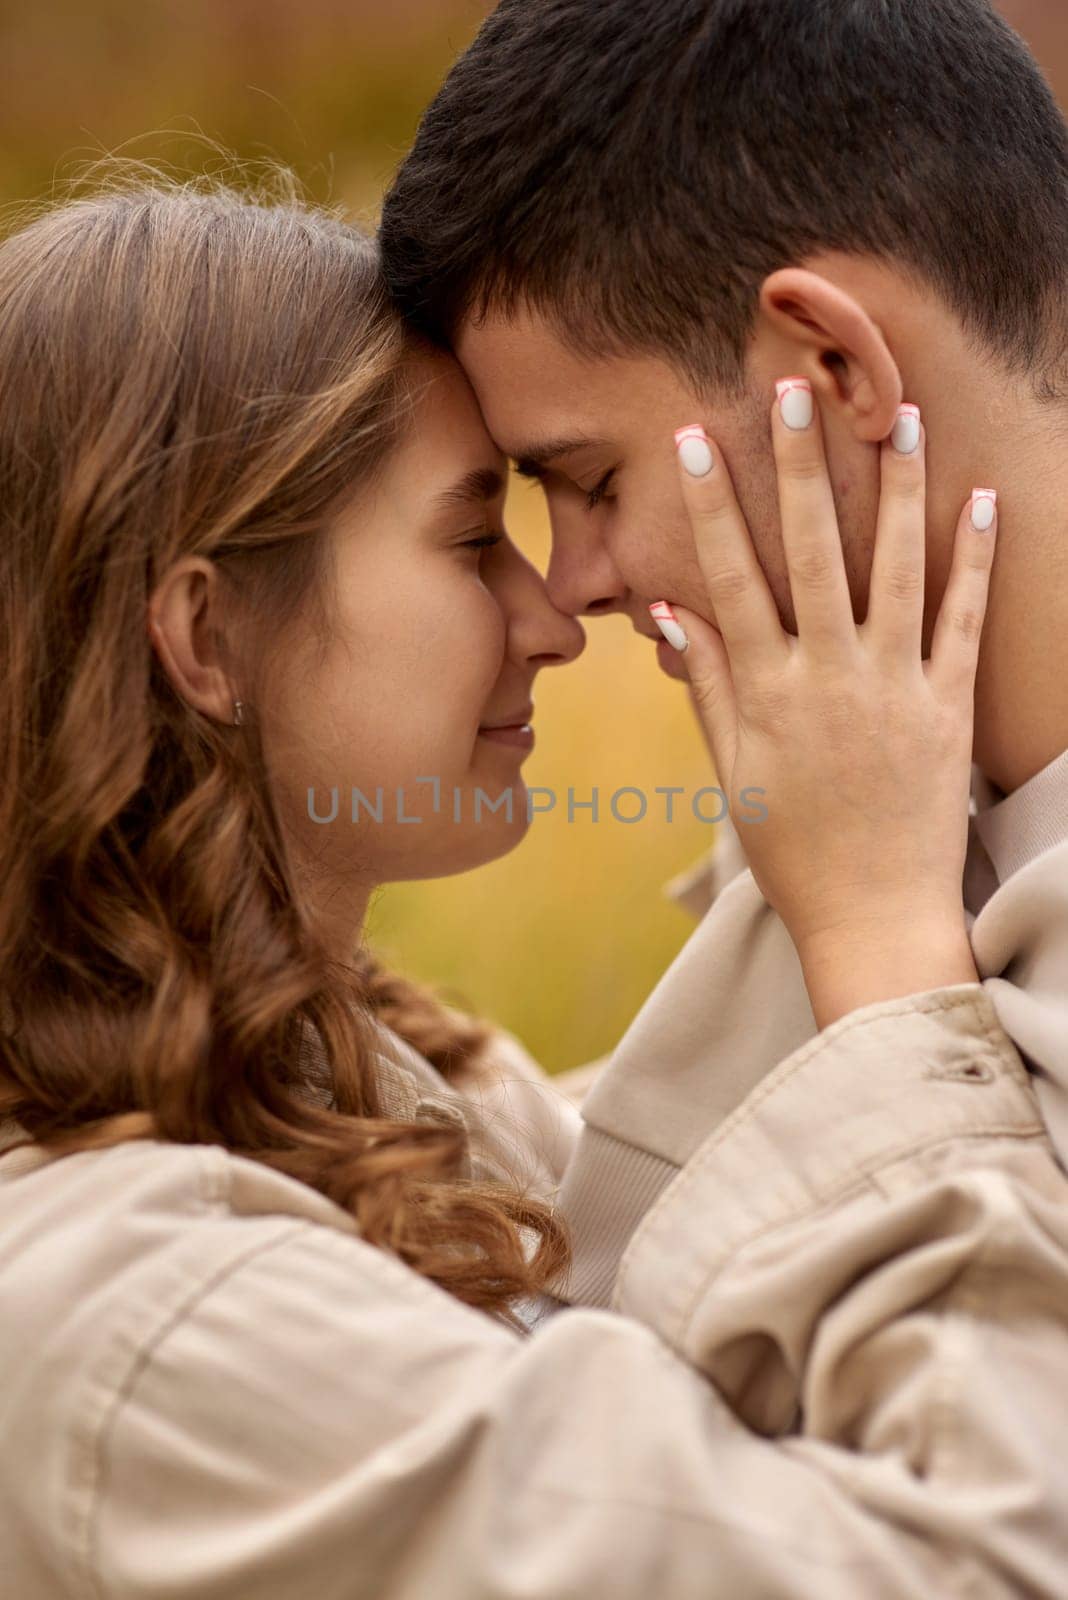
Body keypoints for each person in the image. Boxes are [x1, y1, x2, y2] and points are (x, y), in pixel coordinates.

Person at [0, 174, 1065, 1600]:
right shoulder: (155, 1335)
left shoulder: (369, 1084)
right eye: (468, 538)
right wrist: (877, 936)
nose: (551, 614)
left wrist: (852, 804)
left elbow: (664, 1203)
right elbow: (983, 1564)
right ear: (207, 636)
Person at [378, 0, 1068, 1301]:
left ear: (832, 366)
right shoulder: (860, 772)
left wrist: (874, 949)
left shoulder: (873, 861)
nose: (570, 586)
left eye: (588, 479)